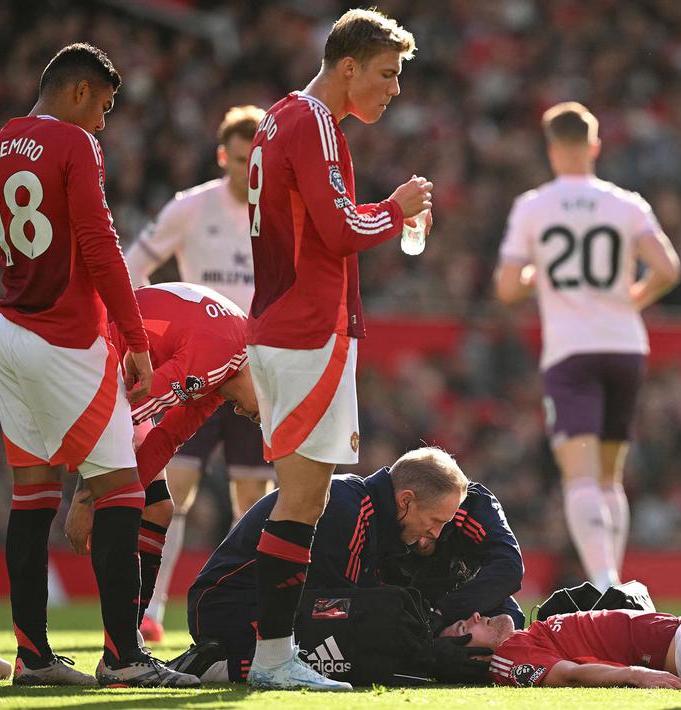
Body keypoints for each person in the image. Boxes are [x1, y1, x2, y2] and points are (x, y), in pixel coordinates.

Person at [0, 43, 197, 688]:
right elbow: (99, 243)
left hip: (8, 328)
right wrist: (135, 338)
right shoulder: (74, 145)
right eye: (104, 106)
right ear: (79, 91)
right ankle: (124, 658)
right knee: (122, 490)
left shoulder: (0, 142)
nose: (105, 122)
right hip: (66, 336)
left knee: (31, 495)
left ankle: (31, 654)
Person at [243, 8, 432, 691]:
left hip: (285, 324)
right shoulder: (314, 121)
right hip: (305, 329)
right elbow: (339, 227)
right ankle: (270, 656)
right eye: (386, 74)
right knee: (300, 501)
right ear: (347, 66)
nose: (394, 89)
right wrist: (398, 206)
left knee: (299, 497)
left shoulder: (279, 118)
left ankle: (267, 650)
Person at [493, 101, 681, 591]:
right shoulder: (626, 203)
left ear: (552, 149)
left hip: (570, 349)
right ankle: (613, 581)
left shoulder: (534, 206)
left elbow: (508, 287)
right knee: (609, 475)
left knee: (578, 474)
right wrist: (629, 301)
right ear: (595, 145)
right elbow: (667, 269)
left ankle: (603, 581)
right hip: (624, 345)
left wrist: (542, 275)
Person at [124, 105, 272, 641]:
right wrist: (144, 325)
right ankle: (152, 608)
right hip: (196, 360)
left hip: (249, 369)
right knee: (177, 484)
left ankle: (237, 602)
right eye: (237, 159)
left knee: (252, 498)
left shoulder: (275, 211)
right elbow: (134, 261)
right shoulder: (192, 207)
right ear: (222, 156)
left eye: (254, 160)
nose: (245, 170)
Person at [172, 448, 488, 683]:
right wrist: (427, 657)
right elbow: (344, 617)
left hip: (242, 603)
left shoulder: (366, 511)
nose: (434, 534)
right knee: (348, 647)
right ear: (406, 500)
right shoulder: (349, 510)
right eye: (436, 521)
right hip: (230, 608)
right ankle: (218, 664)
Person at [60, 283, 260, 645]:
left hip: (112, 370)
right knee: (113, 504)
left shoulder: (225, 367)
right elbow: (137, 406)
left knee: (156, 507)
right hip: (88, 355)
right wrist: (87, 496)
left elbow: (165, 439)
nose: (248, 415)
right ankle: (120, 649)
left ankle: (126, 641)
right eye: (261, 412)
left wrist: (110, 493)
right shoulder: (221, 357)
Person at [441, 520, 681, 691]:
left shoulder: (526, 638)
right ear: (471, 658)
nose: (474, 616)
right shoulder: (507, 657)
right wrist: (639, 675)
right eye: (463, 629)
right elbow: (569, 675)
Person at [382, 481, 527, 630]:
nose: (421, 542)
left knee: (510, 629)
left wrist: (443, 613)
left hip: (468, 594)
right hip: (413, 611)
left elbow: (508, 568)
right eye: (412, 528)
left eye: (433, 522)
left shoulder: (470, 502)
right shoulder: (382, 514)